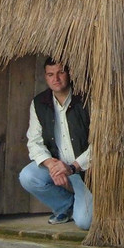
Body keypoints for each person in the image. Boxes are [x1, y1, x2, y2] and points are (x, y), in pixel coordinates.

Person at [18, 58, 93, 229]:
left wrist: (73, 167)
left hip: (84, 171)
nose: (56, 79)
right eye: (50, 74)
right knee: (28, 177)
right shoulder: (39, 103)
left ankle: (81, 206)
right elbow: (34, 141)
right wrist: (51, 164)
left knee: (85, 222)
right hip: (58, 166)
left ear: (69, 74)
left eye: (61, 73)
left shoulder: (86, 99)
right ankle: (65, 206)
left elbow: (102, 144)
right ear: (45, 77)